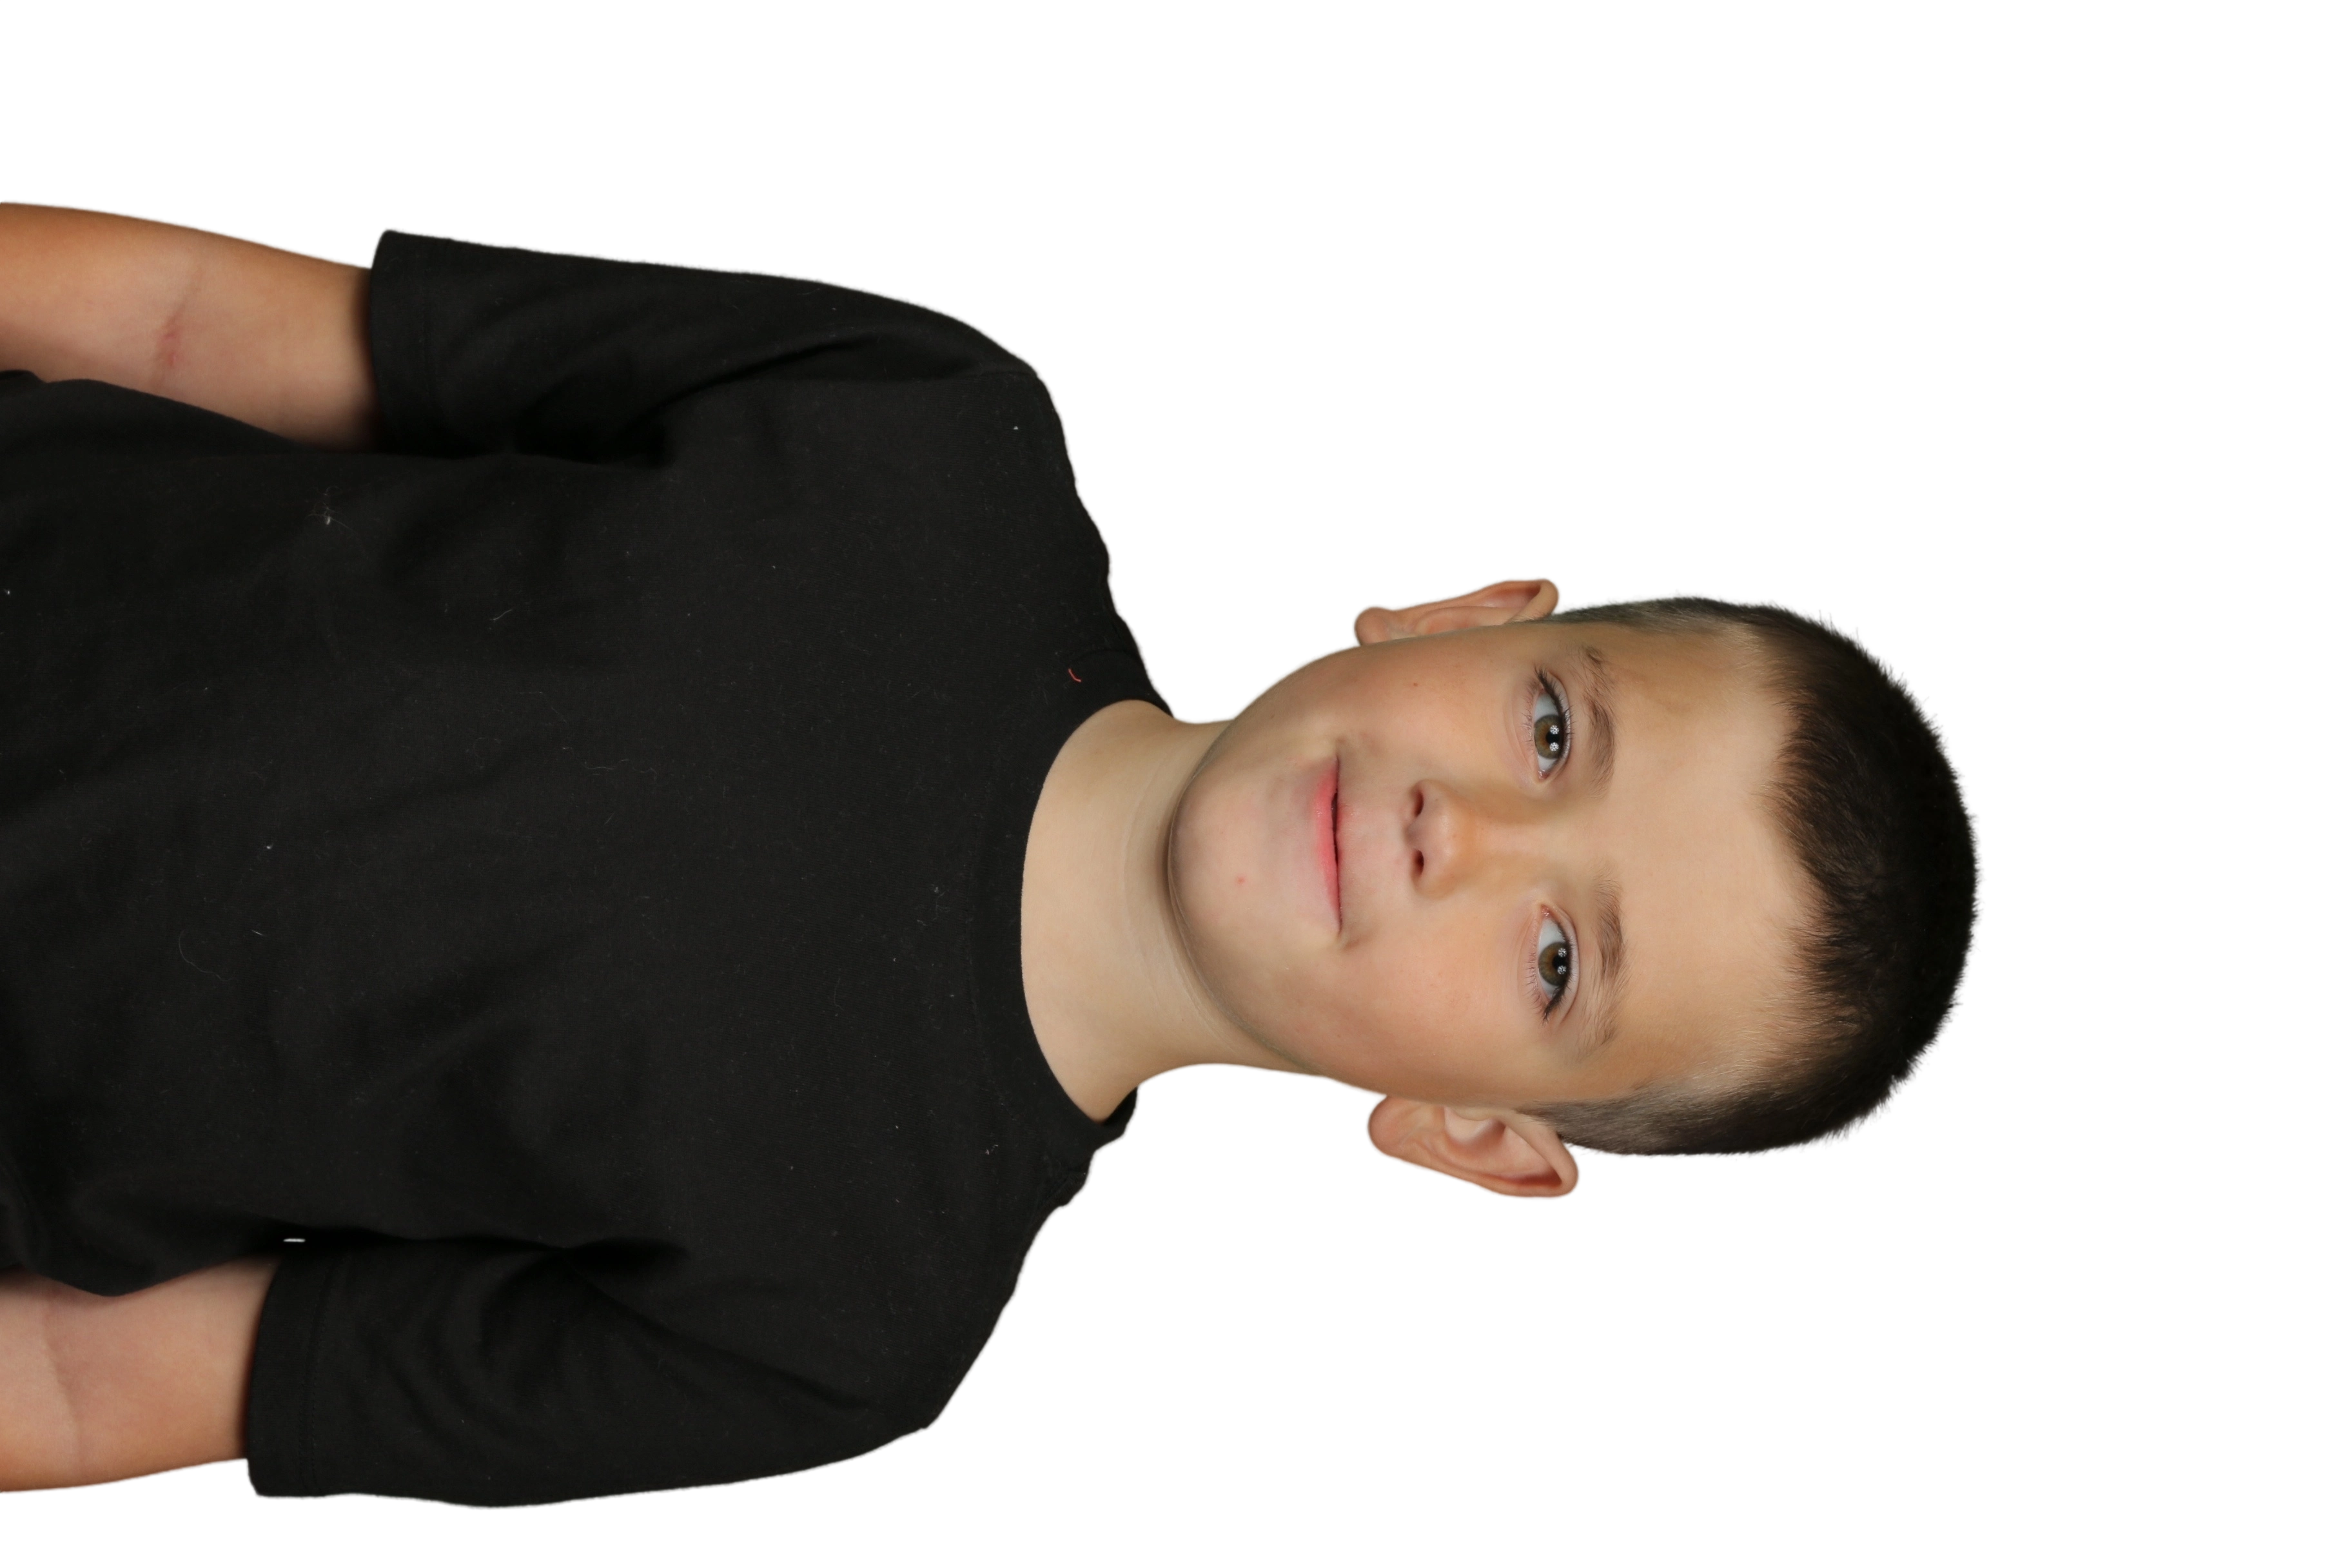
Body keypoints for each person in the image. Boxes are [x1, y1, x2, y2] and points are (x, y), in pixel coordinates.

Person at [0, 201, 1986, 1507]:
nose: (1453, 830)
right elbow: (193, 320)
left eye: (1558, 959)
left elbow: (103, 1391)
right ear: (1472, 612)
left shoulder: (845, 1331)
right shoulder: (930, 430)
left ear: (1480, 1137)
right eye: (1552, 731)